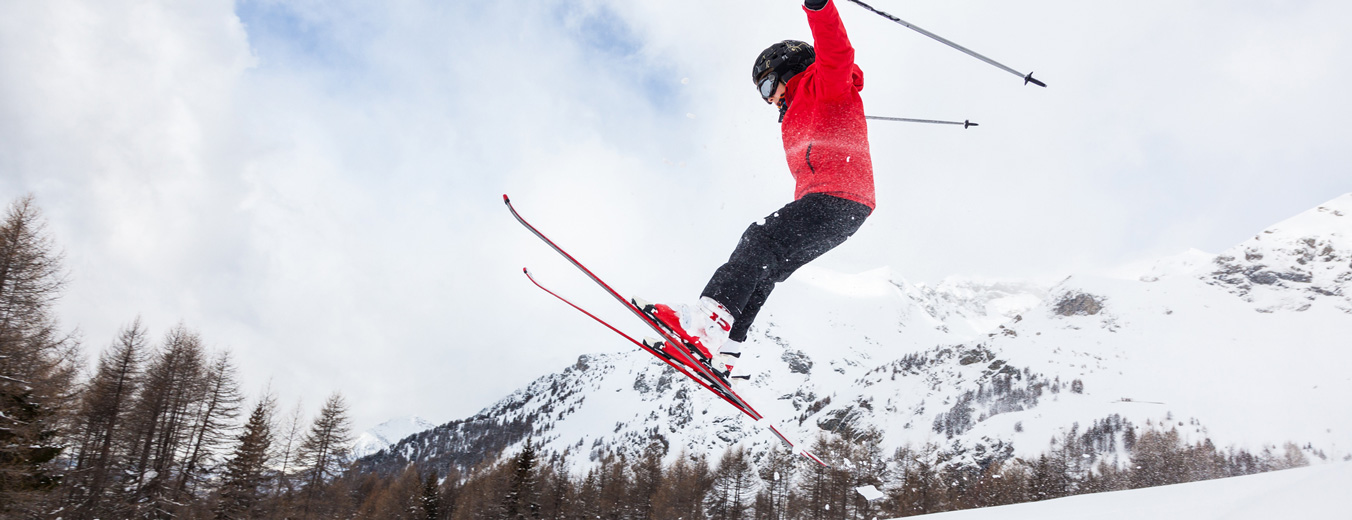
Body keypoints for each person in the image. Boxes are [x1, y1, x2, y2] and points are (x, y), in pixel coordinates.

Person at [638, 0, 874, 381]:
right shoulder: (798, 109)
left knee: (758, 239)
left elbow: (837, 51)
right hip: (842, 209)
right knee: (765, 268)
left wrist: (819, 8)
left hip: (837, 197)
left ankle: (704, 325)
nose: (768, 99)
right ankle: (726, 348)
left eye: (767, 85)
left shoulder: (826, 84)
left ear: (788, 70)